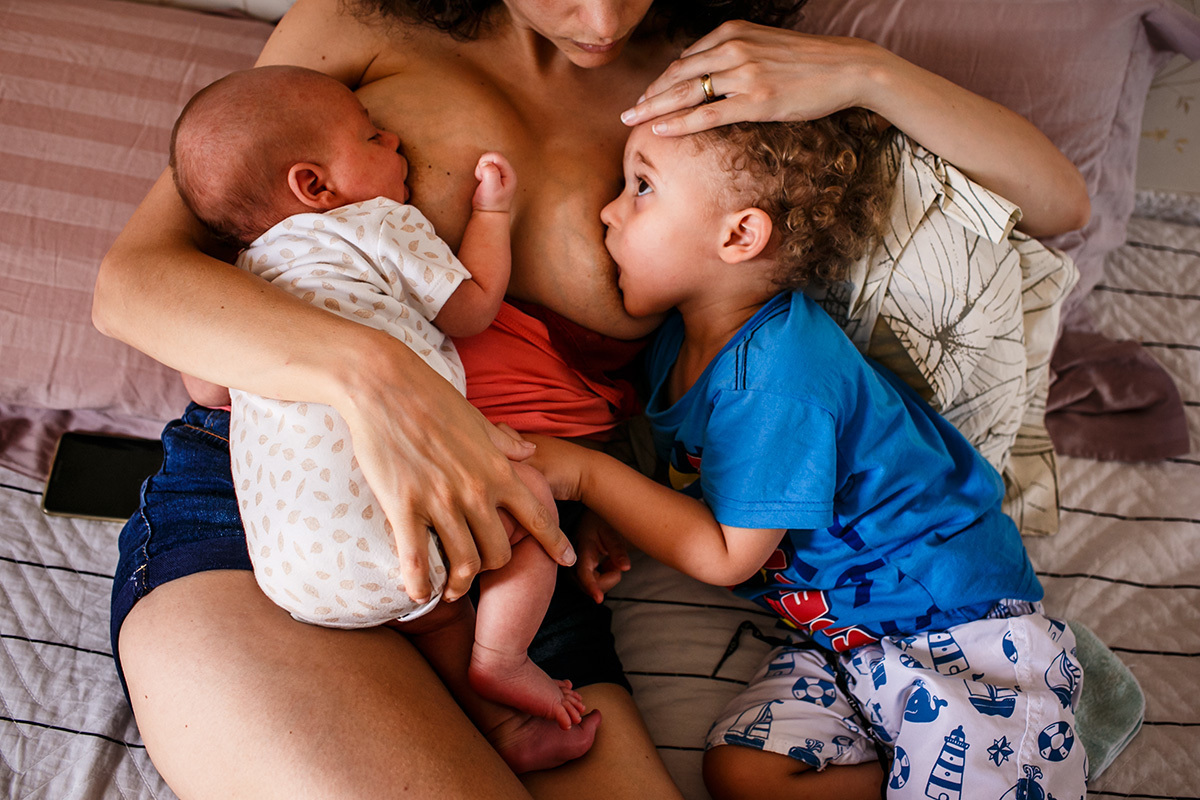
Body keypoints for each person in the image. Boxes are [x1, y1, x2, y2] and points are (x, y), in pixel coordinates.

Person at [93, 1, 1090, 797]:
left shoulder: (715, 80)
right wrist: (379, 379)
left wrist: (867, 72)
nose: (606, 21)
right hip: (278, 521)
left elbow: (1056, 206)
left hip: (519, 563)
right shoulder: (361, 22)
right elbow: (132, 286)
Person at [522, 113, 1087, 799]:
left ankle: (1030, 725)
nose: (608, 211)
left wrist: (586, 475)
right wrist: (613, 516)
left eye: (641, 186)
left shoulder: (781, 374)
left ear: (740, 235)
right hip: (843, 641)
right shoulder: (676, 351)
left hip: (955, 628)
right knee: (742, 772)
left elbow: (728, 553)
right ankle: (987, 757)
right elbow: (698, 481)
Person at [168, 64, 597, 769]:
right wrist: (493, 217)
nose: (394, 139)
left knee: (427, 606)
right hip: (394, 523)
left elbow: (209, 389)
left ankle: (499, 728)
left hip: (290, 572)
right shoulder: (373, 224)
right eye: (372, 137)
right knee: (532, 512)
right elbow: (471, 308)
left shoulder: (234, 284)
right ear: (315, 187)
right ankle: (502, 657)